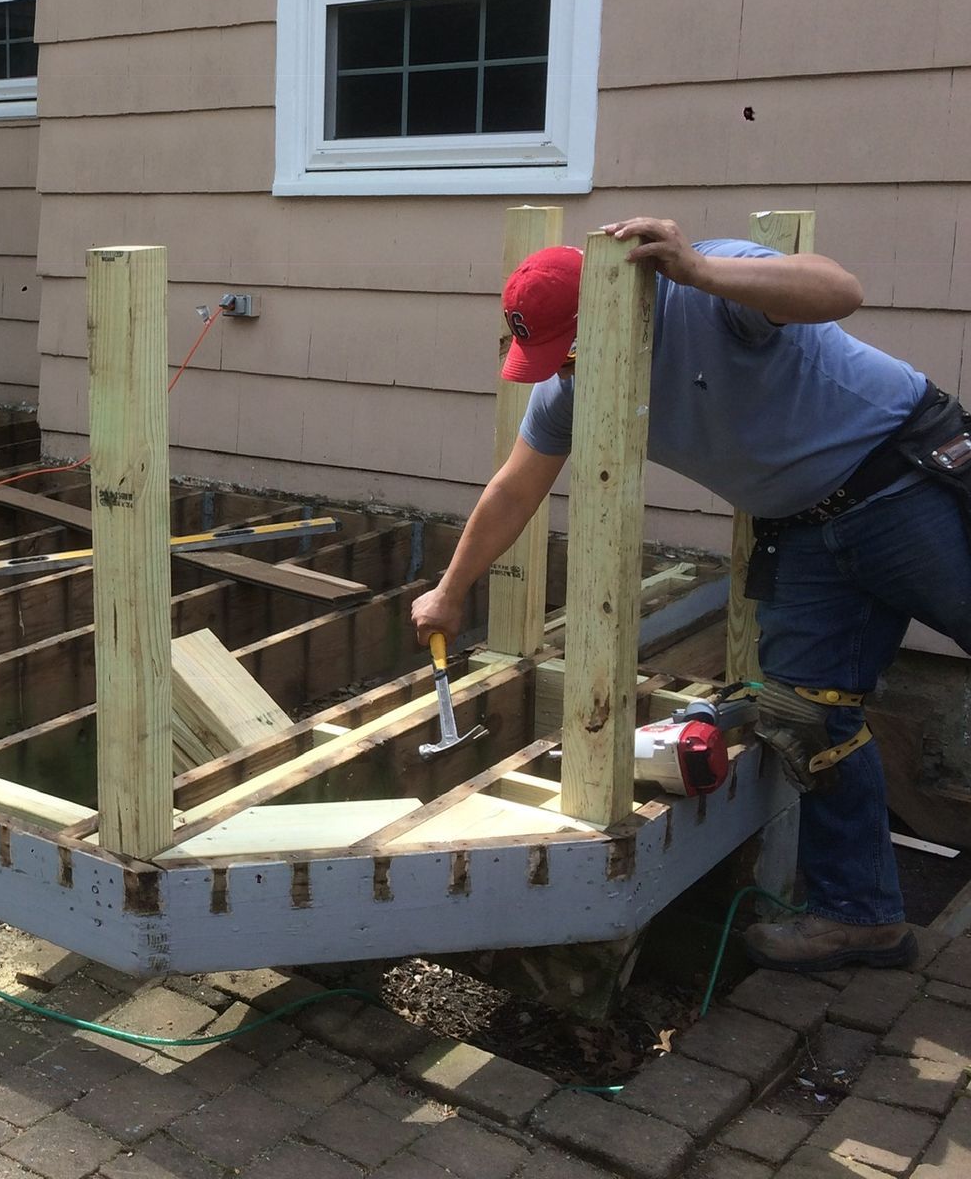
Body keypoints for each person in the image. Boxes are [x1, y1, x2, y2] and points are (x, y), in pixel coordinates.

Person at [410, 217, 971, 973]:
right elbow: (513, 491)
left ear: (619, 307)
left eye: (574, 349)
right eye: (553, 359)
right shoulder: (572, 391)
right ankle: (862, 917)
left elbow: (841, 289)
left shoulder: (710, 288)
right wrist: (450, 591)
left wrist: (700, 270)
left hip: (904, 481)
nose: (567, 370)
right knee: (808, 716)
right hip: (804, 529)